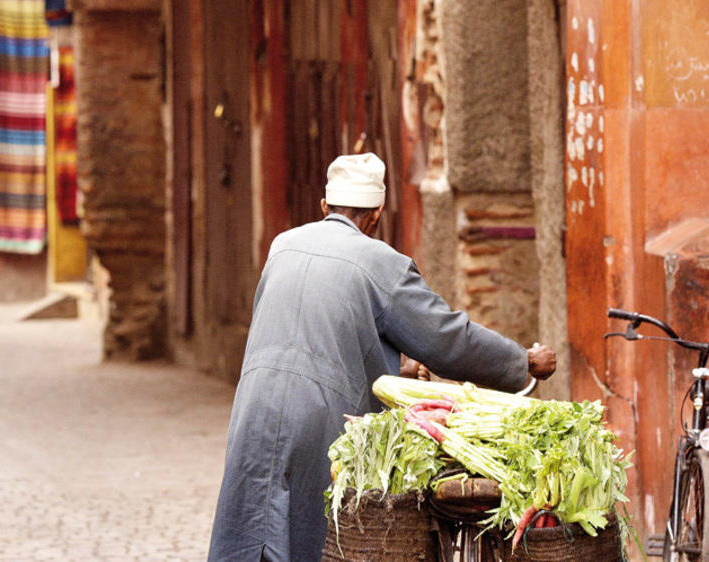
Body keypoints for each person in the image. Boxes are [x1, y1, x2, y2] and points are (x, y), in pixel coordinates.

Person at [207, 152, 556, 562]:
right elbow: (447, 340)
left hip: (254, 408)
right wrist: (523, 362)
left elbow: (312, 339)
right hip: (319, 418)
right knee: (315, 537)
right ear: (376, 215)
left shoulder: (282, 246)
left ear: (324, 207)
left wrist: (395, 367)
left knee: (254, 527)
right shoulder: (382, 263)